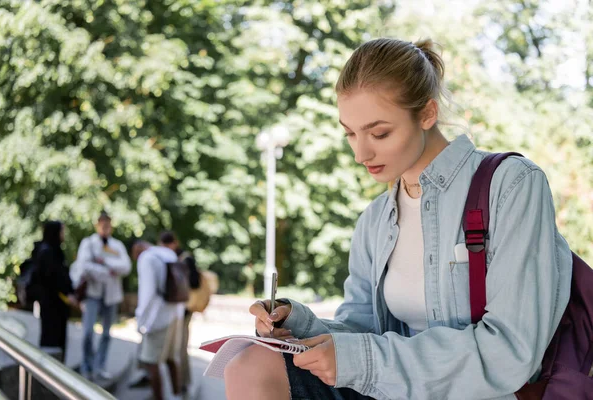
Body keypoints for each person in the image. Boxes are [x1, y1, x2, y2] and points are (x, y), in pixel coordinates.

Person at [223, 38, 573, 400]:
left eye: (379, 133)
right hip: (395, 390)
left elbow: (511, 352)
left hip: (483, 394)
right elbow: (363, 330)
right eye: (350, 134)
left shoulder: (511, 184)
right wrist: (295, 323)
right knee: (250, 365)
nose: (361, 153)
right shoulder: (375, 220)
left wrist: (365, 363)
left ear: (427, 114)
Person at [73, 211, 131, 380]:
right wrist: (108, 272)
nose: (105, 227)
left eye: (108, 224)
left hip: (111, 296)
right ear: (97, 224)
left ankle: (100, 366)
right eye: (102, 224)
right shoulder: (88, 243)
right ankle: (87, 365)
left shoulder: (117, 245)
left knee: (106, 334)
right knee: (87, 333)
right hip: (92, 294)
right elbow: (84, 267)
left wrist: (104, 262)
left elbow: (125, 267)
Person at [135, 232, 184, 400]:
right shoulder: (169, 254)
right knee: (171, 358)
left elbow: (147, 294)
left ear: (138, 250)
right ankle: (177, 395)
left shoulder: (147, 258)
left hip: (157, 319)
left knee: (151, 361)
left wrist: (140, 320)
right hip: (176, 314)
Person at [36, 220, 77, 362]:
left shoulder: (55, 251)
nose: (63, 235)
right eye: (61, 231)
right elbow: (54, 280)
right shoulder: (47, 253)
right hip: (51, 306)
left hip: (58, 307)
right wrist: (66, 293)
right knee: (51, 343)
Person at [175, 248, 201, 394]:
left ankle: (183, 382)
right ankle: (183, 381)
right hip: (187, 310)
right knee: (182, 347)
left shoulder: (183, 261)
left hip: (184, 310)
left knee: (181, 348)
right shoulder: (188, 259)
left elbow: (192, 283)